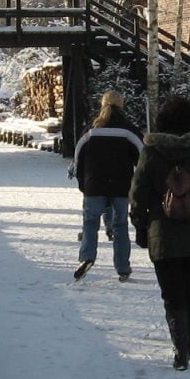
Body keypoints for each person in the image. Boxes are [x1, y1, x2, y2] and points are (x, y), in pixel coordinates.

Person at [129, 95, 190, 370]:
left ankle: (180, 346)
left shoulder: (150, 153)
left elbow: (138, 194)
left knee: (172, 293)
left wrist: (140, 225)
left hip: (163, 234)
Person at [72, 90, 144, 281]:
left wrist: (83, 183)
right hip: (121, 186)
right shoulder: (128, 130)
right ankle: (123, 267)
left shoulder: (91, 130)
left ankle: (86, 257)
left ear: (101, 105)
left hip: (94, 185)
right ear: (122, 106)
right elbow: (144, 158)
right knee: (120, 225)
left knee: (90, 222)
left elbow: (78, 158)